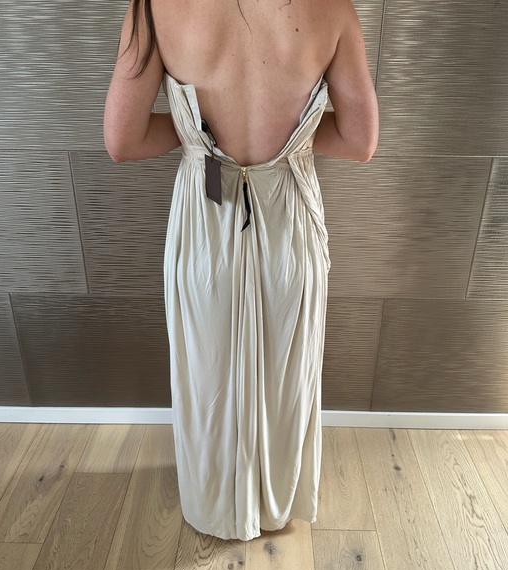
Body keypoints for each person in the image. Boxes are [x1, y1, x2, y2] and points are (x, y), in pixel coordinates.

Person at [104, 0, 378, 542]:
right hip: (289, 222)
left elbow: (122, 139)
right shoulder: (333, 9)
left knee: (206, 379)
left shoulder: (153, 7)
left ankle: (213, 507)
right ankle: (273, 508)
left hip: (205, 225)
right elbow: (359, 140)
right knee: (285, 382)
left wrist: (194, 132)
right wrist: (292, 136)